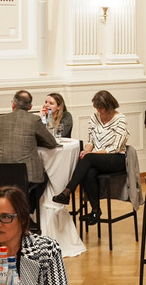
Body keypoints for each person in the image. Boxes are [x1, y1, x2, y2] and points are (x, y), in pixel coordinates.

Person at [51, 90, 127, 222]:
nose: (99, 110)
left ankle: (68, 191)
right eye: (97, 107)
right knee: (89, 172)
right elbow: (90, 141)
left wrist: (91, 154)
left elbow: (115, 147)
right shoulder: (94, 117)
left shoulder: (120, 119)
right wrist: (86, 150)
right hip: (97, 159)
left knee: (89, 159)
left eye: (101, 108)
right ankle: (96, 211)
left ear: (109, 106)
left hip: (116, 158)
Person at [0, 89, 58, 205]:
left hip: (0, 171)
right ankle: (27, 210)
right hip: (26, 174)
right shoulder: (34, 120)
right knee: (46, 177)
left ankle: (15, 209)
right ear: (30, 106)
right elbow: (51, 143)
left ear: (13, 104)